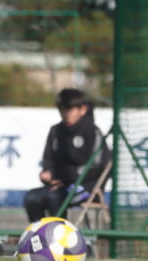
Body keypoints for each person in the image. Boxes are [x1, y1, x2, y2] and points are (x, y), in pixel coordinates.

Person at [23, 89, 109, 223]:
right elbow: (48, 160)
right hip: (59, 186)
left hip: (86, 187)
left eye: (70, 110)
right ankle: (40, 233)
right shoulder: (56, 131)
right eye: (62, 110)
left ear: (82, 110)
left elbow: (98, 165)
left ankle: (60, 233)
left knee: (54, 198)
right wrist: (48, 175)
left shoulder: (93, 132)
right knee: (31, 198)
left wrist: (68, 178)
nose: (66, 114)